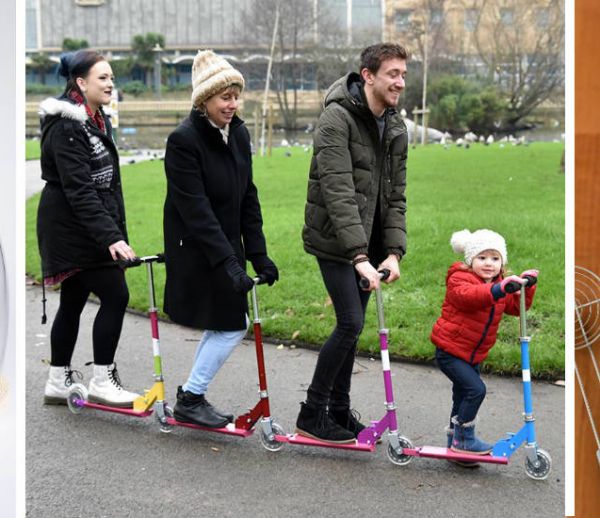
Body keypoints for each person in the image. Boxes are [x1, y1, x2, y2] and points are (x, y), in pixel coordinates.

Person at [296, 43, 409, 444]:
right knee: (350, 322)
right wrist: (358, 256)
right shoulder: (336, 119)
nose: (399, 82)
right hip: (335, 239)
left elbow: (396, 195)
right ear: (368, 76)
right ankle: (312, 412)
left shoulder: (395, 126)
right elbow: (337, 192)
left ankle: (339, 412)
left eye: (403, 74)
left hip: (371, 243)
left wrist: (393, 251)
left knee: (353, 326)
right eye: (392, 73)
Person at [163, 50, 278, 428]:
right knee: (232, 324)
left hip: (226, 247)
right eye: (224, 97)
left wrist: (258, 255)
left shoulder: (238, 133)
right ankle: (192, 397)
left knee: (223, 322)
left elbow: (248, 195)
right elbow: (196, 210)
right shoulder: (183, 141)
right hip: (198, 249)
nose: (233, 104)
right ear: (203, 100)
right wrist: (229, 261)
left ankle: (189, 396)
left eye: (235, 96)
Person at [38, 50, 139, 407]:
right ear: (81, 83)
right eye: (103, 78)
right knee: (116, 294)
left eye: (112, 77)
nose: (111, 83)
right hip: (70, 226)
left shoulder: (95, 119)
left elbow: (106, 185)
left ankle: (56, 379)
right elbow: (79, 189)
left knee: (75, 298)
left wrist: (115, 229)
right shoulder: (67, 125)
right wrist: (111, 236)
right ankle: (102, 379)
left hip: (81, 222)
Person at [431, 229, 537, 456]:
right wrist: (499, 288)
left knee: (461, 396)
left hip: (473, 354)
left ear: (502, 262)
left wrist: (525, 289)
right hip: (451, 351)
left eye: (495, 258)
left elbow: (515, 308)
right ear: (470, 260)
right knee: (476, 390)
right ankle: (464, 440)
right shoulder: (459, 279)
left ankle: (455, 443)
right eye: (482, 257)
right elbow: (471, 297)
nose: (489, 263)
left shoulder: (499, 283)